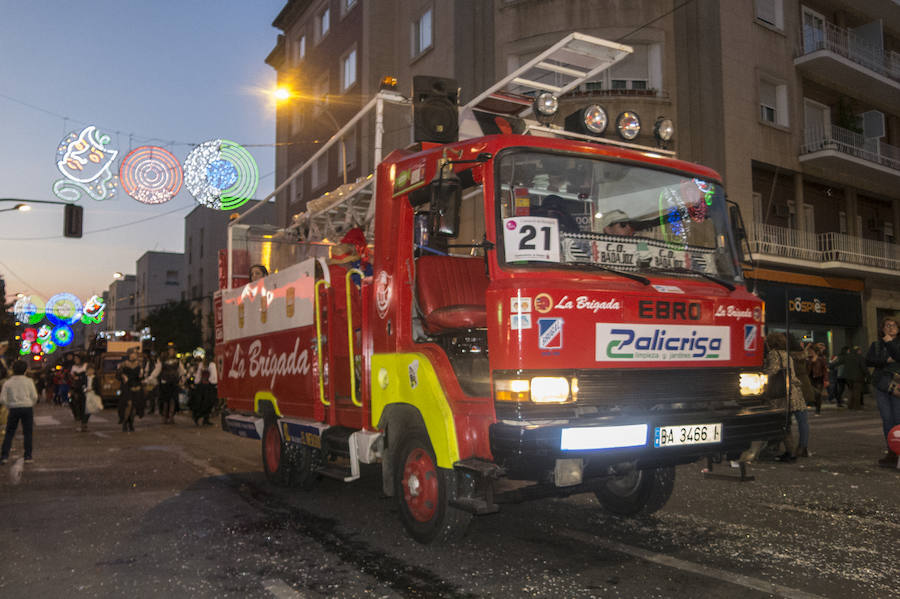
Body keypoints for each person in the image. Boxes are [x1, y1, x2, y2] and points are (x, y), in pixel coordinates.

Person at [765, 332, 810, 461]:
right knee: (802, 421)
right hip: (795, 390)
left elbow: (773, 370)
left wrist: (762, 372)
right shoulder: (787, 354)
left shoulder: (774, 354)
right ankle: (802, 447)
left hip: (783, 392)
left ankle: (787, 451)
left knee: (783, 422)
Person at [865, 317, 900, 467]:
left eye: (893, 325)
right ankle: (891, 451)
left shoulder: (896, 343)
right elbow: (869, 361)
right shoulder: (876, 344)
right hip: (881, 384)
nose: (890, 327)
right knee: (887, 419)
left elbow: (898, 356)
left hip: (897, 385)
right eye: (887, 325)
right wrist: (886, 361)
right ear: (882, 328)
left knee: (898, 419)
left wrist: (889, 342)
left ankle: (899, 452)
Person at [0, 360, 38, 464]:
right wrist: (30, 403)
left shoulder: (8, 382)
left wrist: (9, 405)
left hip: (13, 408)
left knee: (9, 432)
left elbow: (2, 398)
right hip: (27, 407)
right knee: (28, 432)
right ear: (25, 370)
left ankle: (4, 456)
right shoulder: (29, 381)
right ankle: (28, 456)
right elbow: (34, 396)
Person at [116, 349, 143, 432]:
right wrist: (123, 376)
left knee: (134, 406)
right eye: (131, 354)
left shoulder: (139, 364)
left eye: (134, 354)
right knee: (128, 404)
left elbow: (141, 376)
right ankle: (124, 422)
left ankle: (131, 423)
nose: (133, 355)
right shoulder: (123, 364)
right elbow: (117, 375)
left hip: (136, 386)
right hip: (126, 387)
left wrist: (141, 375)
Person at [157, 347, 185, 424]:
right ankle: (164, 416)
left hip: (174, 382)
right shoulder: (162, 361)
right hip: (165, 382)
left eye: (172, 350)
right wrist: (150, 379)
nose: (171, 352)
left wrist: (182, 378)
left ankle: (171, 416)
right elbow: (157, 371)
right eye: (170, 350)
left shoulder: (177, 361)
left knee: (173, 400)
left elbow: (181, 371)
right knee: (165, 400)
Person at [189, 356, 218, 426]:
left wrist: (197, 382)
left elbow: (198, 376)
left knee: (203, 403)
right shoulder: (212, 365)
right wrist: (213, 383)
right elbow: (214, 376)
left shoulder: (202, 365)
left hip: (202, 386)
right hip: (208, 387)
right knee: (207, 403)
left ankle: (203, 418)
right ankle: (203, 418)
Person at [842, 345, 868, 410]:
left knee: (850, 391)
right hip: (858, 377)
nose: (860, 351)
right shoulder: (860, 358)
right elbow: (864, 368)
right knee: (857, 392)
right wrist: (868, 375)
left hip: (848, 378)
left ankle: (850, 406)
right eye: (859, 350)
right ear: (858, 351)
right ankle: (857, 407)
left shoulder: (847, 357)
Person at [80, 363, 103, 432]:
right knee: (85, 409)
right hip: (85, 395)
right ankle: (83, 423)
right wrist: (85, 389)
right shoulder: (84, 377)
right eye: (89, 370)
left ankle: (84, 422)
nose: (90, 371)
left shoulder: (95, 378)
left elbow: (98, 386)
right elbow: (81, 385)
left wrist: (92, 389)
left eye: (92, 370)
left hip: (92, 394)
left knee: (90, 409)